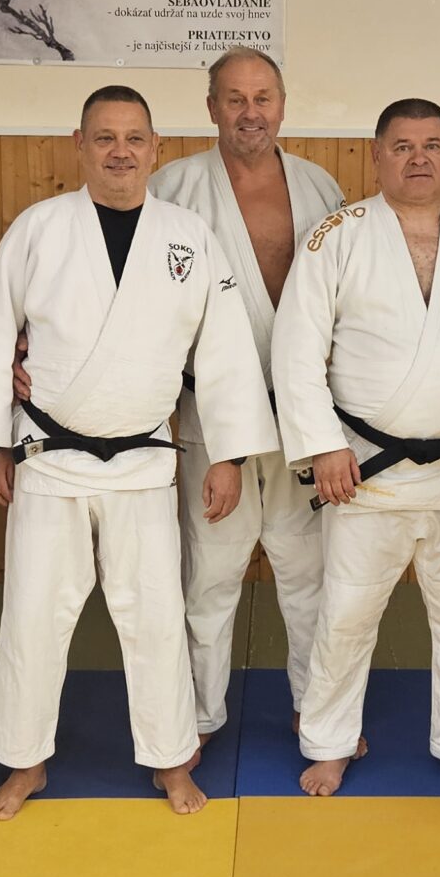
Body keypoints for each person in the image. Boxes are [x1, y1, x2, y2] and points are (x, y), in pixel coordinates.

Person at [0, 86, 275, 816]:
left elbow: (226, 350)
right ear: (79, 145)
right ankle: (24, 762)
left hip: (144, 461)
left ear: (155, 148)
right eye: (104, 137)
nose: (120, 152)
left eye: (134, 138)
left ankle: (171, 760)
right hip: (49, 458)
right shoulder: (38, 229)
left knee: (156, 619)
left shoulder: (188, 235)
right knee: (33, 618)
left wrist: (229, 454)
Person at [271, 99, 440, 795]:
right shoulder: (337, 236)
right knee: (345, 616)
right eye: (402, 146)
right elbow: (296, 349)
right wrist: (321, 446)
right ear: (376, 156)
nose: (419, 158)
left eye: (433, 144)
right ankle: (329, 741)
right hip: (362, 468)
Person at [150, 46, 344, 744]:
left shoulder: (320, 188)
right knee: (209, 573)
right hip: (210, 414)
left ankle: (315, 707)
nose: (250, 112)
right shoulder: (172, 187)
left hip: (302, 413)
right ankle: (200, 714)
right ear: (212, 108)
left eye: (263, 98)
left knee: (309, 572)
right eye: (235, 98)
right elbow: (138, 300)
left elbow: (346, 303)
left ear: (282, 106)